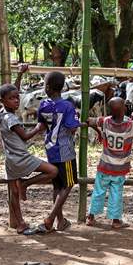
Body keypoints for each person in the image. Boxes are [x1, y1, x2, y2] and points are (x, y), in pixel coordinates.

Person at [0, 65, 58, 235]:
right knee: (53, 171)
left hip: (10, 159)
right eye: (12, 99)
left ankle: (20, 223)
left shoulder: (1, 112)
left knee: (14, 192)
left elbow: (12, 91)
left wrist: (20, 74)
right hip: (21, 157)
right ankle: (27, 183)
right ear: (3, 101)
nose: (16, 101)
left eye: (17, 98)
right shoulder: (10, 118)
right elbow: (24, 136)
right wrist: (39, 128)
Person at [86, 97, 133, 229]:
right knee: (116, 193)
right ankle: (116, 220)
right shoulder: (131, 126)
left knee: (98, 191)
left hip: (104, 166)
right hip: (120, 168)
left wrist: (99, 132)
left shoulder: (105, 122)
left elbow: (90, 121)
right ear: (125, 110)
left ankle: (91, 217)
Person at [35, 71, 83, 233]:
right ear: (62, 87)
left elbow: (41, 124)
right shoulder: (67, 106)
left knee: (57, 185)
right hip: (65, 151)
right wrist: (79, 123)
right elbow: (72, 127)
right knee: (68, 184)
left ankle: (60, 220)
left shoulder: (43, 105)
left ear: (48, 87)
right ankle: (50, 218)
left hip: (51, 149)